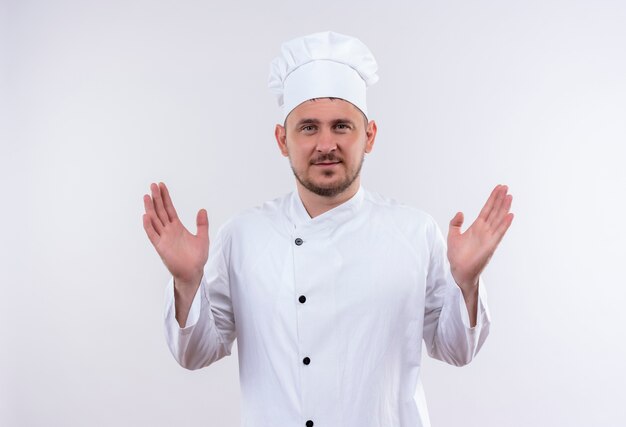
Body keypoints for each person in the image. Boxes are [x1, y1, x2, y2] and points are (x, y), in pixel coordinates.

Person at [142, 31, 513, 427]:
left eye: (341, 126)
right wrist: (186, 282)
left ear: (368, 136)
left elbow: (456, 349)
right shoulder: (243, 236)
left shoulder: (414, 231)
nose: (325, 144)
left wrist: (467, 283)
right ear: (282, 139)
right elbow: (195, 354)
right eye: (308, 128)